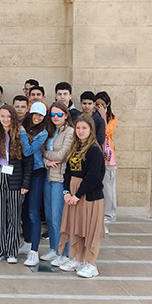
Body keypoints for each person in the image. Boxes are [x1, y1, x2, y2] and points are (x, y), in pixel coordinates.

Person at [57, 114, 106, 278]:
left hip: (89, 196)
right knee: (77, 228)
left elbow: (93, 177)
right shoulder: (74, 148)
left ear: (91, 129)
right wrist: (66, 192)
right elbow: (68, 173)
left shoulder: (94, 150)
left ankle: (91, 264)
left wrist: (77, 195)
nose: (80, 131)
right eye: (78, 128)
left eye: (84, 128)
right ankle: (78, 259)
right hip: (73, 195)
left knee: (91, 231)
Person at [0, 104, 33, 264]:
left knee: (14, 215)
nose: (5, 119)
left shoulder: (21, 135)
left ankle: (12, 251)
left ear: (13, 118)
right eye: (2, 116)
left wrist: (25, 183)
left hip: (15, 179)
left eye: (8, 116)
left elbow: (28, 161)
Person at [43, 102, 74, 265]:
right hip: (48, 176)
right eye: (53, 114)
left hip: (60, 179)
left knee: (58, 217)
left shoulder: (70, 131)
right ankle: (53, 248)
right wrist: (47, 160)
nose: (56, 117)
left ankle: (64, 252)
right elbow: (41, 152)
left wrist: (47, 156)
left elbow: (63, 154)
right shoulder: (50, 131)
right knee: (49, 216)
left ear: (66, 115)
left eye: (59, 114)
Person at [20, 101, 49, 265]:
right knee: (24, 212)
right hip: (23, 172)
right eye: (35, 114)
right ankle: (27, 242)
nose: (37, 117)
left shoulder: (42, 133)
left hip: (37, 173)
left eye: (40, 115)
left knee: (33, 212)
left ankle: (34, 251)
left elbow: (28, 150)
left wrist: (22, 133)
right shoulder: (23, 126)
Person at [95, 92, 117, 224]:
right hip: (97, 157)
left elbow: (106, 132)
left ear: (107, 104)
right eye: (97, 105)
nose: (99, 107)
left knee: (108, 188)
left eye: (102, 105)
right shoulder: (93, 118)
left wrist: (103, 116)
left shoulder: (112, 118)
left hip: (108, 157)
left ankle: (109, 216)